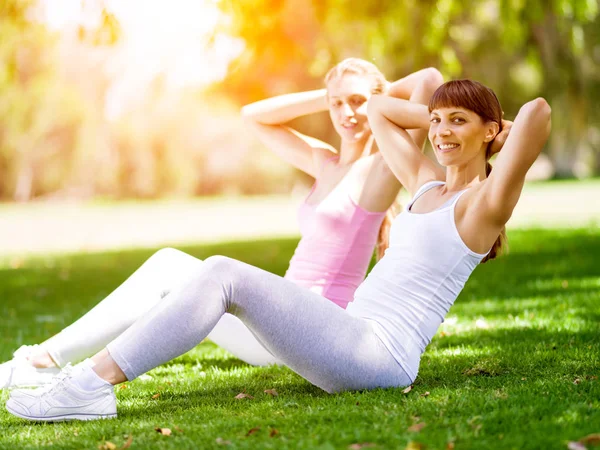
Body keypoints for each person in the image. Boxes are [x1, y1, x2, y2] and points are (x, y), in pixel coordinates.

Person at [5, 78, 551, 422]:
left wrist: (496, 132)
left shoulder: (482, 206)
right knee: (204, 274)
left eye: (458, 122)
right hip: (349, 334)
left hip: (378, 354)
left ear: (488, 131)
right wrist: (444, 114)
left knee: (224, 274)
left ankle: (87, 386)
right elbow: (383, 108)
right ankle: (74, 377)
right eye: (435, 121)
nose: (440, 132)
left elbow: (539, 112)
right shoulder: (428, 187)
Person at [0, 59, 442, 390]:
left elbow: (429, 80)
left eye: (359, 103)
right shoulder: (322, 161)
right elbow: (254, 116)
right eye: (338, 105)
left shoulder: (383, 167)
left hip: (314, 331)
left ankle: (48, 366)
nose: (348, 114)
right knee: (169, 266)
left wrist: (375, 95)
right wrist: (330, 94)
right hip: (276, 319)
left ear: (379, 102)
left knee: (175, 267)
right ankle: (45, 360)